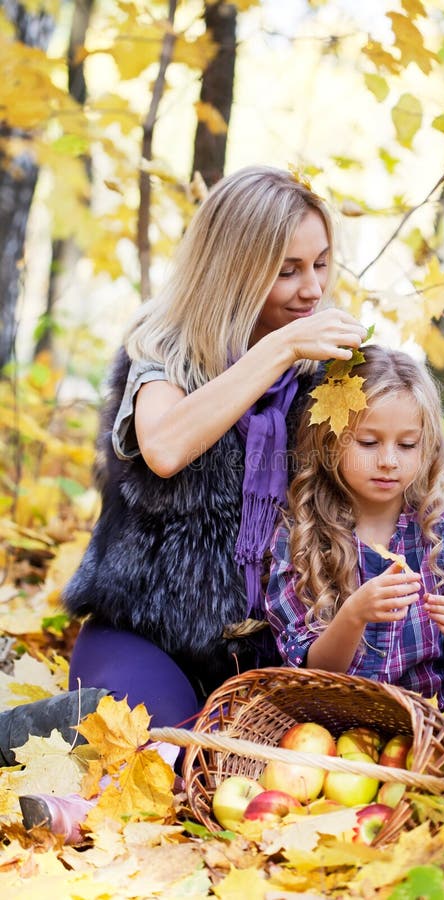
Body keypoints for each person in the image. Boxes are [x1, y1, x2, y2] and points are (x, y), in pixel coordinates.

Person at [13, 164, 367, 839]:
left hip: (260, 655)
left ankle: (86, 730)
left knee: (250, 774)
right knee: (162, 745)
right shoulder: (165, 348)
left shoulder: (323, 375)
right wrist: (278, 349)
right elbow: (166, 447)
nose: (313, 288)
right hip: (145, 634)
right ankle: (69, 784)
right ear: (234, 266)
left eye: (320, 264)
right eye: (288, 269)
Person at [265, 345, 444, 709]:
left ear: (426, 447)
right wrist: (353, 615)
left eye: (407, 444)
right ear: (330, 440)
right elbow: (310, 678)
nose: (388, 461)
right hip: (333, 731)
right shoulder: (302, 536)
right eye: (368, 442)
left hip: (431, 731)